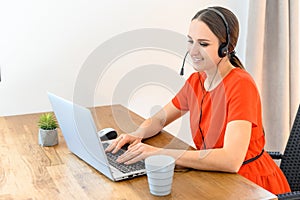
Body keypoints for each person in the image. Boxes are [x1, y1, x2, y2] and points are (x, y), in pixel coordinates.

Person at [106, 6, 291, 195]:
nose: (193, 51)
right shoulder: (196, 81)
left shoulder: (241, 85)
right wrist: (137, 134)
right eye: (190, 41)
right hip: (216, 178)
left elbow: (231, 160)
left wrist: (158, 153)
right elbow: (160, 119)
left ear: (226, 48)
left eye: (203, 44)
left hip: (250, 186)